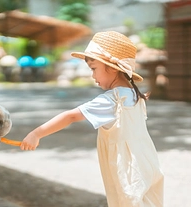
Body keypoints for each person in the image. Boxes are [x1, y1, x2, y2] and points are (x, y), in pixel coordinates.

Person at [20, 31, 164, 207]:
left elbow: (71, 116)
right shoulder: (135, 95)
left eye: (94, 69)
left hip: (127, 171)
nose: (92, 75)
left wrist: (37, 133)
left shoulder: (113, 99)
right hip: (147, 164)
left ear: (112, 67)